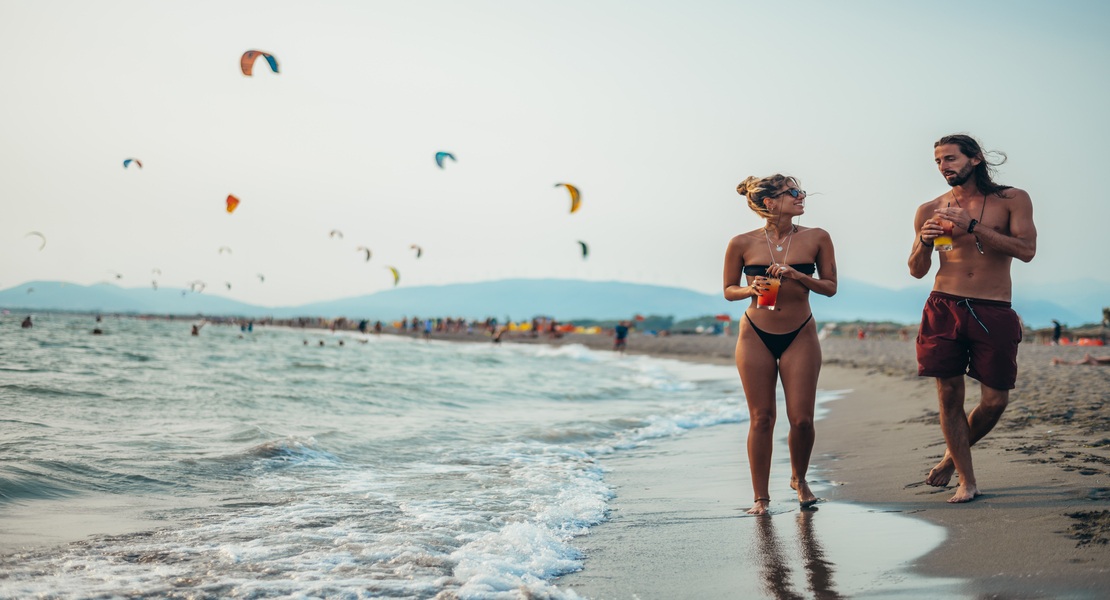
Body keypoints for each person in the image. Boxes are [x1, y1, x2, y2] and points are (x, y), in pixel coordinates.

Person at [909, 133, 1037, 504]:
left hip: (992, 308)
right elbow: (917, 270)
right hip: (943, 305)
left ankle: (950, 458)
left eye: (950, 158)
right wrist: (924, 241)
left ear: (976, 159)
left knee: (995, 400)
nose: (943, 167)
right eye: (938, 161)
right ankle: (968, 479)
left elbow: (1027, 251)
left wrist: (973, 227)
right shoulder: (929, 208)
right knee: (949, 395)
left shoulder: (1012, 200)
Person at [724, 174, 838, 515]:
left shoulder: (817, 237)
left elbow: (830, 286)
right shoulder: (741, 242)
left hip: (800, 333)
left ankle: (799, 479)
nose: (802, 196)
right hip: (755, 333)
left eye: (799, 191)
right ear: (770, 203)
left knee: (801, 419)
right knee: (761, 418)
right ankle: (761, 499)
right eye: (793, 192)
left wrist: (799, 276)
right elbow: (729, 289)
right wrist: (750, 288)